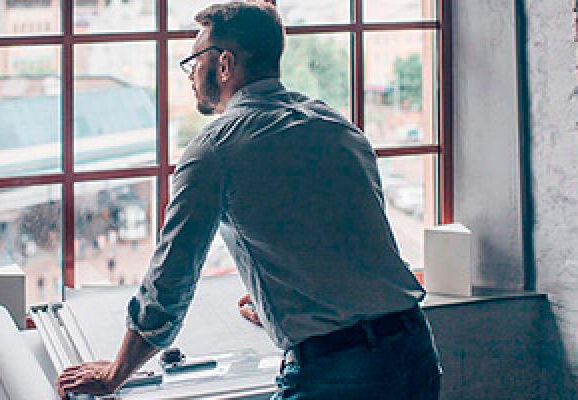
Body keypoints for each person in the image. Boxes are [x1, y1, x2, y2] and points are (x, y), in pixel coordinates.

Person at [56, 2, 441, 399]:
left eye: (194, 61)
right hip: (414, 350)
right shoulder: (335, 126)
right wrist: (286, 309)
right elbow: (349, 243)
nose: (190, 75)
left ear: (224, 64)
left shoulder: (214, 150)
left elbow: (169, 286)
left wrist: (114, 373)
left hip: (333, 372)